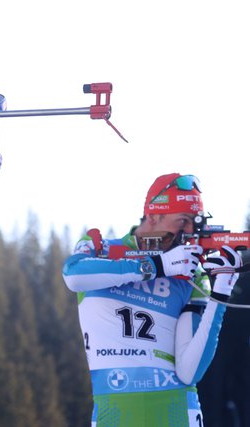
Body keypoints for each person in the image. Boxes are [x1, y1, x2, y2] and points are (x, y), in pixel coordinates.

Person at [62, 173, 243, 426]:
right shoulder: (101, 249)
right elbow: (74, 275)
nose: (189, 232)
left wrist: (221, 290)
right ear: (153, 215)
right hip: (114, 413)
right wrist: (157, 265)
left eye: (195, 223)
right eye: (183, 220)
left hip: (177, 412)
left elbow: (189, 372)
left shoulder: (190, 275)